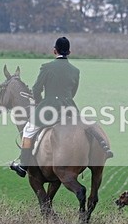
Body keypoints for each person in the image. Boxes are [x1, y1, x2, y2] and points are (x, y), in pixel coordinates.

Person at [10, 36, 80, 178]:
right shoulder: (75, 70)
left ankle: (23, 166)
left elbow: (36, 89)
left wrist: (40, 101)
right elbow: (73, 92)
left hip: (49, 107)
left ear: (54, 51)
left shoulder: (47, 67)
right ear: (69, 52)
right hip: (69, 108)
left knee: (28, 130)